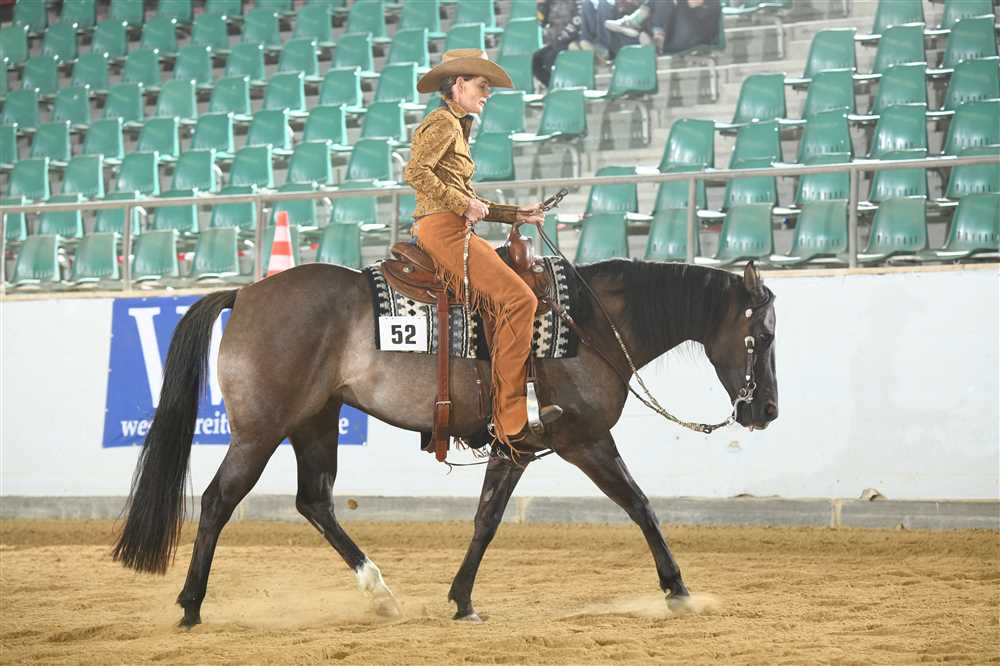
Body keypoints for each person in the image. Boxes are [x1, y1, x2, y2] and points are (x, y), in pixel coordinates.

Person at [403, 49, 564, 446]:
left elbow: (467, 198)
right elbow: (415, 172)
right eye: (482, 85)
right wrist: (462, 204)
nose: (487, 93)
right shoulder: (442, 122)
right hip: (443, 229)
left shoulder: (458, 125)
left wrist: (517, 214)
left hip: (454, 226)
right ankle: (510, 414)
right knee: (520, 301)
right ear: (458, 85)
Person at [605, 0, 722, 55]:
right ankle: (655, 39)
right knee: (663, 3)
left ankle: (635, 24)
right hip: (673, 37)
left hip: (694, 39)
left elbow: (694, 2)